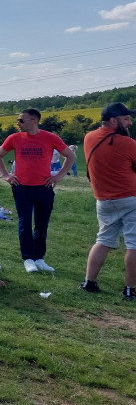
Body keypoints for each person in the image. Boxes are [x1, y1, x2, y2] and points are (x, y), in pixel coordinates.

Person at [0, 108, 74, 273]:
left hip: (44, 187)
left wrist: (59, 176)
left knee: (42, 223)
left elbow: (70, 156)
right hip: (21, 188)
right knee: (25, 223)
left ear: (34, 121)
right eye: (18, 120)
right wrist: (5, 175)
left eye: (22, 120)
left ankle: (39, 258)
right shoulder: (14, 138)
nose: (18, 123)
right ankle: (28, 259)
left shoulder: (50, 138)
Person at [80, 103, 136, 301]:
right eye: (126, 119)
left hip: (103, 200)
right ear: (114, 121)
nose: (129, 122)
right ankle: (130, 289)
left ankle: (89, 282)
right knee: (134, 244)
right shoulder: (128, 143)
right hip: (131, 199)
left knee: (102, 241)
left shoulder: (88, 138)